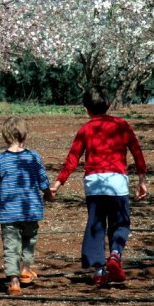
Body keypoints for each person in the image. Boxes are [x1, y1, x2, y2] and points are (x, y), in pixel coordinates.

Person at [51, 85, 148, 286]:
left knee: (96, 224)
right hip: (117, 183)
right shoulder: (122, 125)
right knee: (120, 223)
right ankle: (114, 254)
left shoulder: (85, 129)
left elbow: (72, 159)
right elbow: (137, 152)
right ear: (109, 104)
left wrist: (58, 183)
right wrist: (141, 181)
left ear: (86, 108)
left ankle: (99, 271)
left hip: (94, 184)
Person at [0, 116, 53, 296]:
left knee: (11, 246)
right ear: (26, 135)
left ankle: (14, 282)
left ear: (5, 136)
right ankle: (26, 269)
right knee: (29, 241)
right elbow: (43, 181)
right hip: (31, 210)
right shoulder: (34, 157)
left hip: (8, 212)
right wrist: (48, 195)